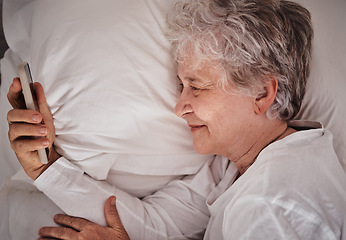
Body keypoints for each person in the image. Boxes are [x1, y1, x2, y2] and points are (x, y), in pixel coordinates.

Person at [7, 0, 346, 239]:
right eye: (182, 85)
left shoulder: (271, 204)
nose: (178, 107)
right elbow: (158, 226)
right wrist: (46, 166)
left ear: (261, 94)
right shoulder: (237, 166)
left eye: (196, 87)